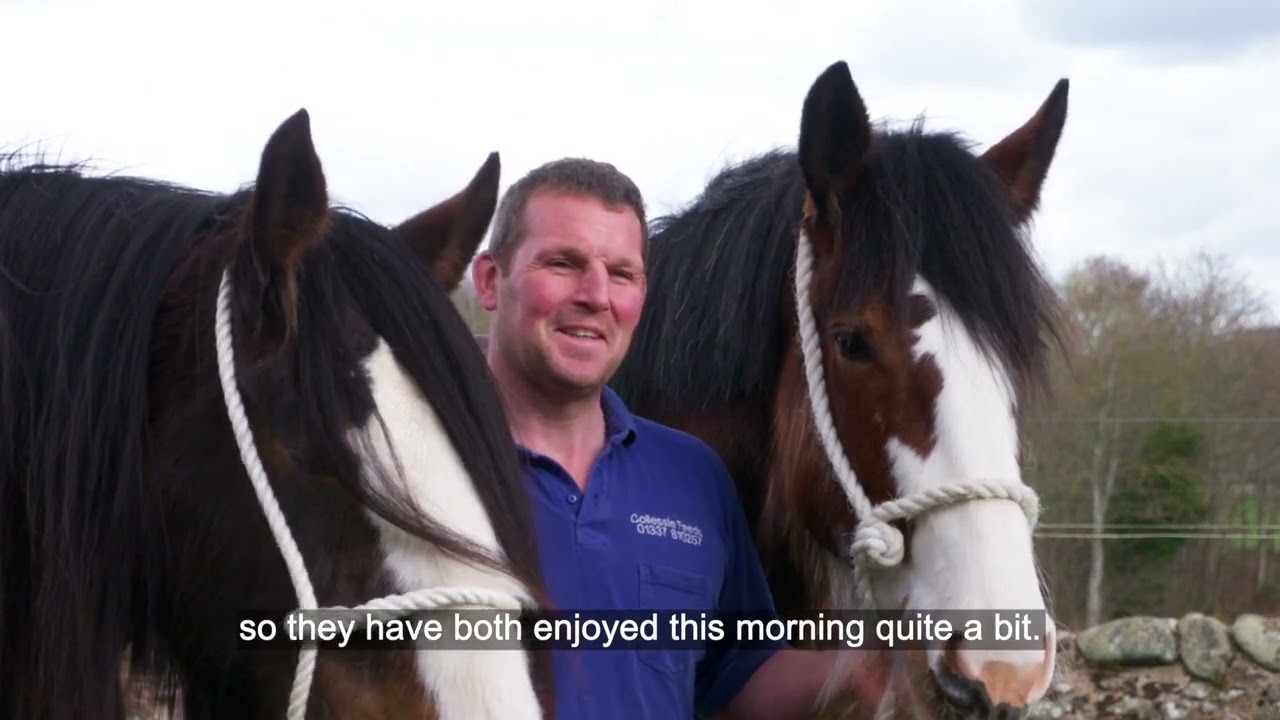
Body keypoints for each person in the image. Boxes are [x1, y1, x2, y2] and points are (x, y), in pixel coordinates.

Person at [470, 157, 890, 720]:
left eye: (622, 274)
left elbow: (736, 674)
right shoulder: (416, 464)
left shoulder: (692, 476)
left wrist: (867, 665)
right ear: (489, 280)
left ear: (642, 294)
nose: (596, 295)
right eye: (563, 264)